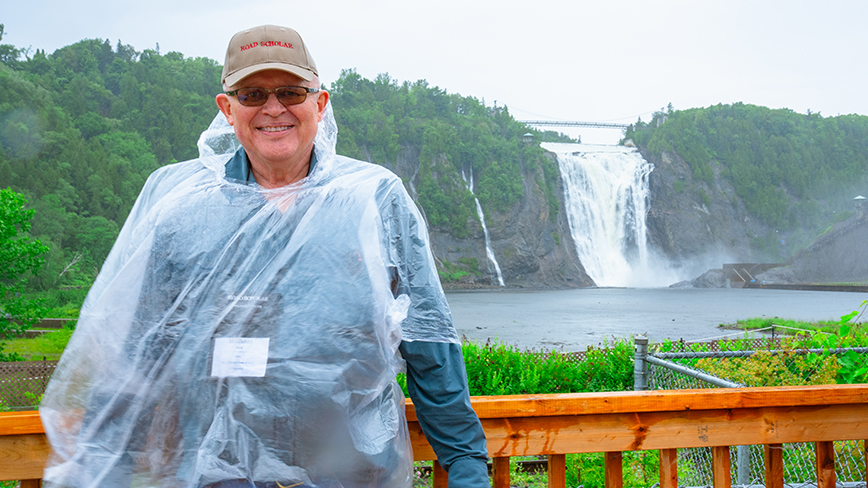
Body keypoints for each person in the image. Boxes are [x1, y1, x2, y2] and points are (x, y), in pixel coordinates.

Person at [40, 25, 488, 488]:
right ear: (227, 108)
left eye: (291, 92)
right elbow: (136, 355)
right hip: (215, 477)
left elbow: (429, 344)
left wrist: (467, 466)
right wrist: (99, 470)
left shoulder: (373, 198)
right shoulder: (180, 205)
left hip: (349, 475)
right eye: (253, 94)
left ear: (320, 103)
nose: (274, 109)